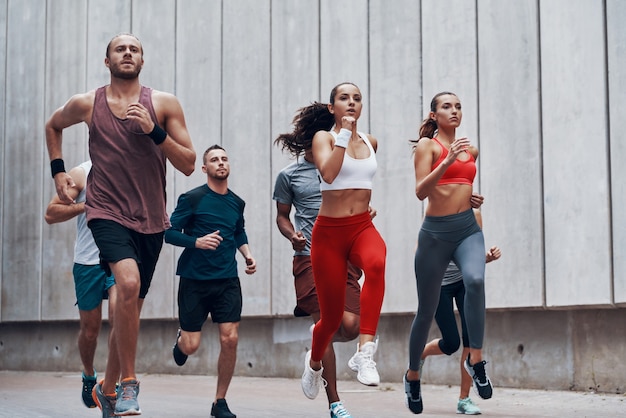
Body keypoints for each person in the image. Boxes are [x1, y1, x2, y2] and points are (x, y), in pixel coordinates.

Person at [45, 33, 196, 417]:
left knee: (129, 307)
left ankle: (106, 388)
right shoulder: (87, 104)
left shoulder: (163, 104)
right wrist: (58, 172)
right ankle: (129, 384)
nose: (127, 53)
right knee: (126, 285)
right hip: (105, 212)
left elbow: (189, 163)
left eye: (134, 49)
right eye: (120, 49)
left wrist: (154, 131)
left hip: (150, 219)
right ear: (107, 61)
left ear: (142, 61)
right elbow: (52, 125)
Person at [274, 103, 377, 417]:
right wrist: (291, 234)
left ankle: (314, 350)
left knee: (351, 325)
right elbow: (281, 216)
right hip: (308, 256)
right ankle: (335, 402)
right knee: (327, 323)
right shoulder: (289, 176)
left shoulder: (345, 162)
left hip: (344, 255)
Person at [297, 83, 387, 401]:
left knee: (377, 263)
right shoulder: (325, 139)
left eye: (357, 98)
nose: (351, 103)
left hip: (361, 227)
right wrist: (344, 135)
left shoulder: (370, 141)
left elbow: (360, 183)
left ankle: (365, 351)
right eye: (344, 98)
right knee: (332, 319)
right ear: (333, 107)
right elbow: (330, 174)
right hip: (329, 235)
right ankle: (314, 362)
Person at [404, 92, 492, 414]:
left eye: (458, 106)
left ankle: (477, 362)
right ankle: (413, 374)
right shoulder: (429, 147)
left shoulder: (472, 150)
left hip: (466, 229)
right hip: (435, 236)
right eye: (446, 107)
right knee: (426, 312)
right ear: (433, 114)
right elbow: (421, 192)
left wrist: (470, 199)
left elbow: (459, 187)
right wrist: (447, 160)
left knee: (476, 280)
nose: (454, 111)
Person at [165, 145, 256, 418]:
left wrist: (248, 255)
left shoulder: (236, 203)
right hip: (194, 281)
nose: (220, 163)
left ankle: (220, 402)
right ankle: (181, 341)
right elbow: (169, 233)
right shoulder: (192, 199)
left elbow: (238, 231)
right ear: (205, 168)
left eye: (224, 158)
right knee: (191, 347)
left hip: (227, 280)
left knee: (230, 339)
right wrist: (197, 242)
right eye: (214, 160)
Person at [44, 160, 116, 410]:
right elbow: (51, 213)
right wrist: (86, 206)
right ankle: (89, 375)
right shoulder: (82, 173)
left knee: (121, 321)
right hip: (88, 262)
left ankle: (111, 386)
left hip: (120, 258)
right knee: (90, 331)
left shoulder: (133, 166)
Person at [419, 209, 501, 415]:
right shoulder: (433, 213)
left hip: (464, 284)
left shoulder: (475, 215)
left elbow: (473, 257)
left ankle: (464, 400)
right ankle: (421, 353)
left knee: (470, 341)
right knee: (451, 343)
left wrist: (487, 258)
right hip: (439, 285)